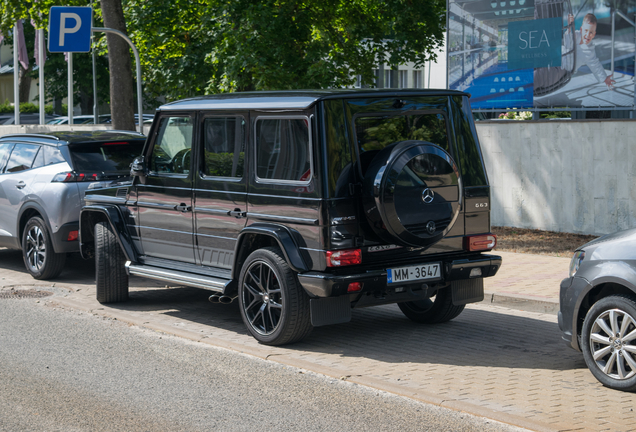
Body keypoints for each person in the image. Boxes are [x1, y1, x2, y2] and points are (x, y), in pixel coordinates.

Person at [564, 13, 616, 89]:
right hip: (560, 58)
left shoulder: (589, 51)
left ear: (594, 34)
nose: (588, 35)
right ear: (581, 30)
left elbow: (596, 65)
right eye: (586, 30)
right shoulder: (576, 35)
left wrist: (604, 78)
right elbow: (567, 44)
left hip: (565, 70)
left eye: (591, 32)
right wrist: (569, 26)